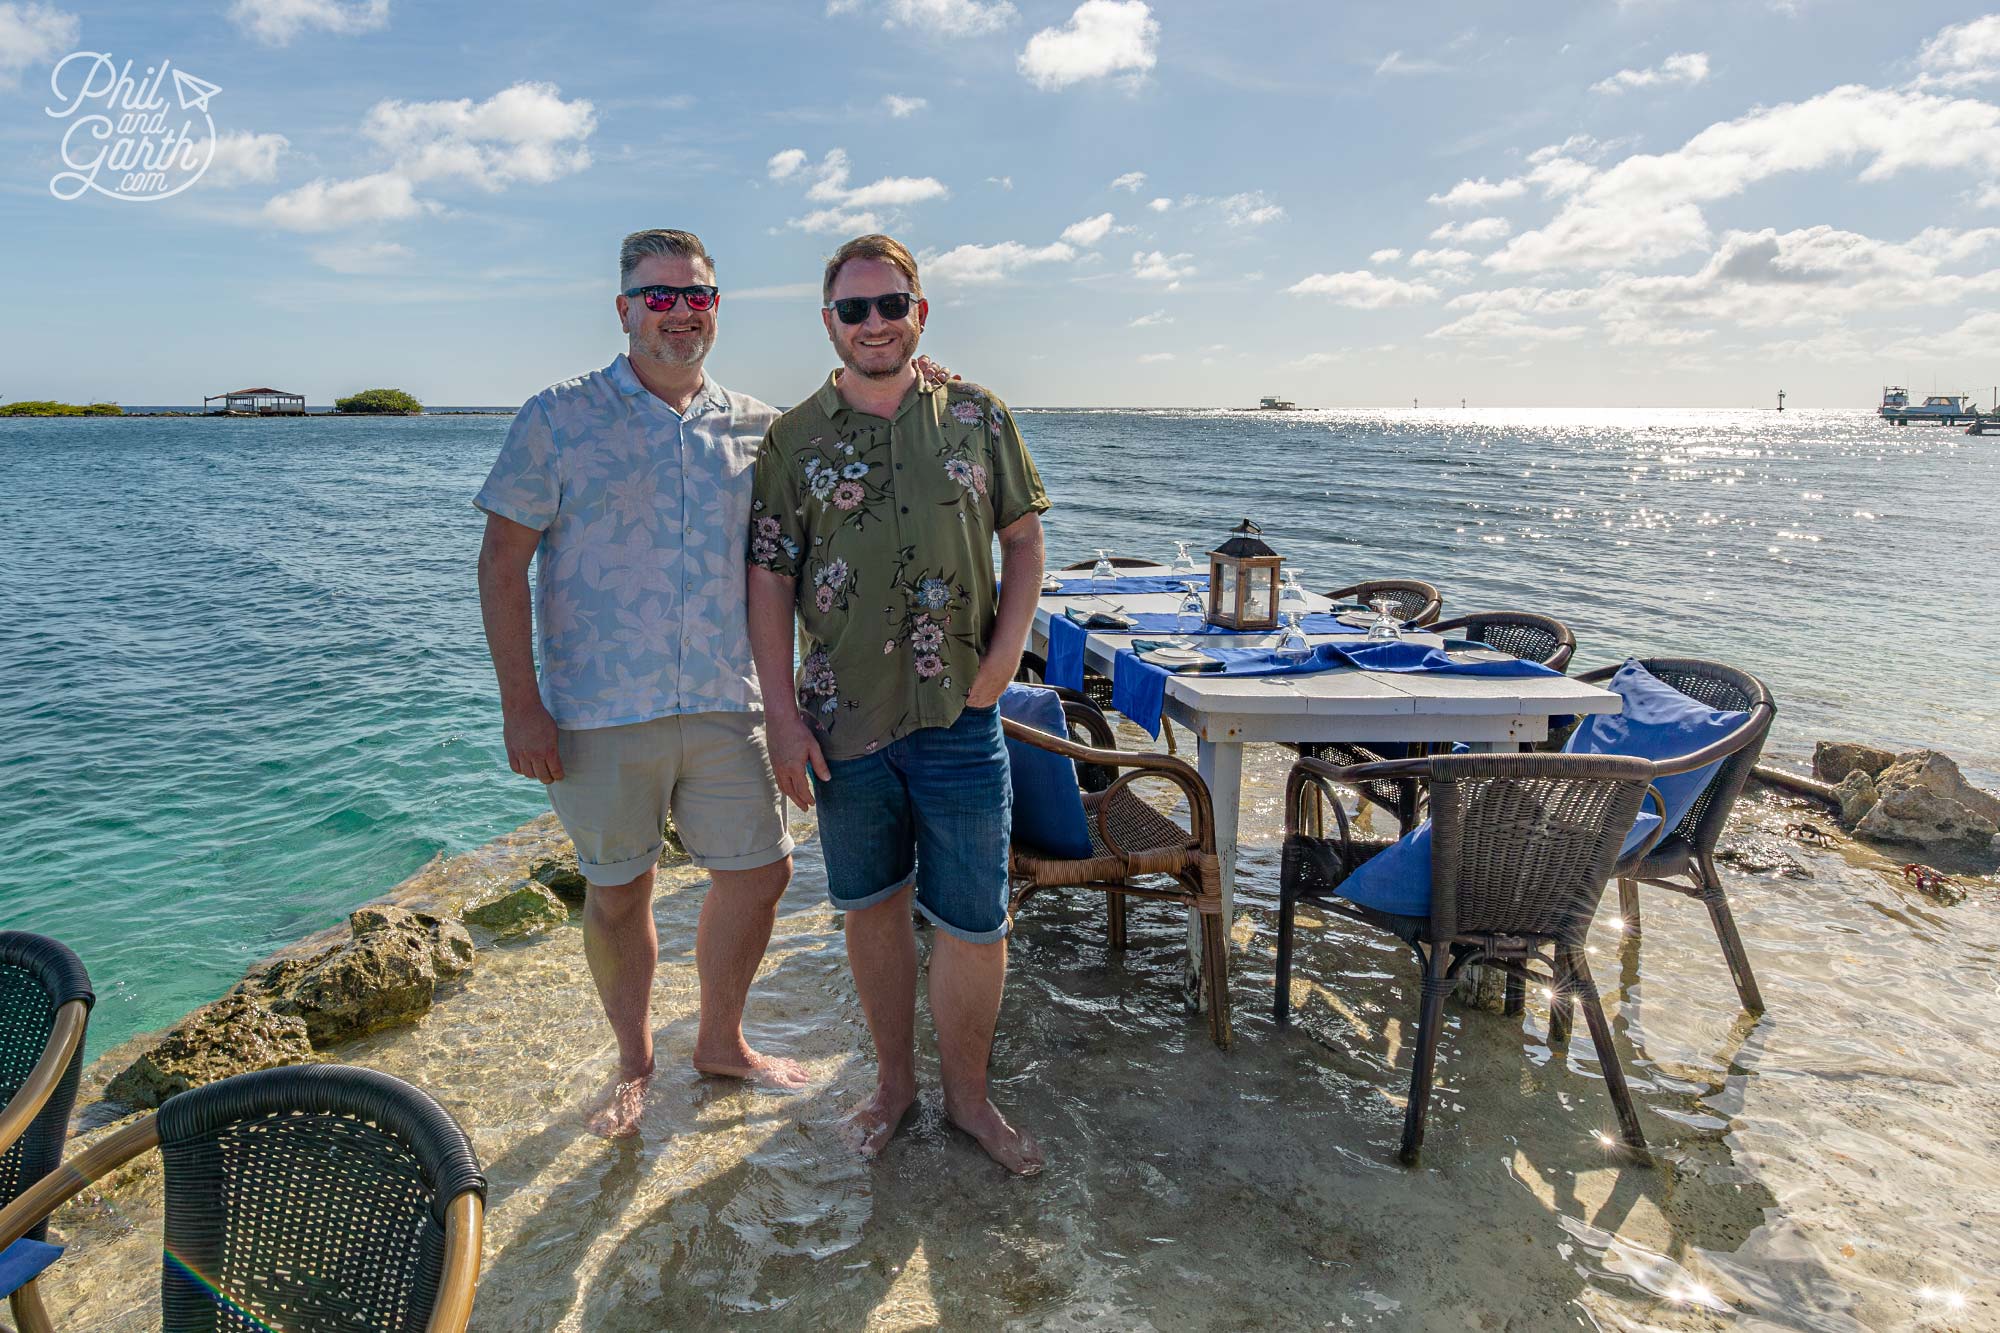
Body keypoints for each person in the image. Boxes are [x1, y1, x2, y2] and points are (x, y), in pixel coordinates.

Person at [474, 228, 809, 1138]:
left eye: (696, 295)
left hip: (724, 694)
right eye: (658, 296)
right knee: (620, 891)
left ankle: (721, 1041)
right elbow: (502, 563)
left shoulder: (762, 426)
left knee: (763, 871)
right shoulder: (556, 417)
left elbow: (796, 555)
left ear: (715, 308)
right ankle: (633, 1059)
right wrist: (521, 703)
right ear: (623, 309)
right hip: (597, 706)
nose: (679, 313)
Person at [746, 233, 1050, 1175]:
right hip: (843, 721)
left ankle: (969, 1099)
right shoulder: (793, 439)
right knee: (871, 908)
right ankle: (893, 1085)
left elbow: (1025, 541)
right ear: (829, 321)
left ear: (922, 311)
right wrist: (780, 720)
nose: (873, 323)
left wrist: (1000, 668)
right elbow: (768, 582)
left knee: (974, 920)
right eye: (854, 309)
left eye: (890, 305)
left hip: (962, 717)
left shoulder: (979, 415)